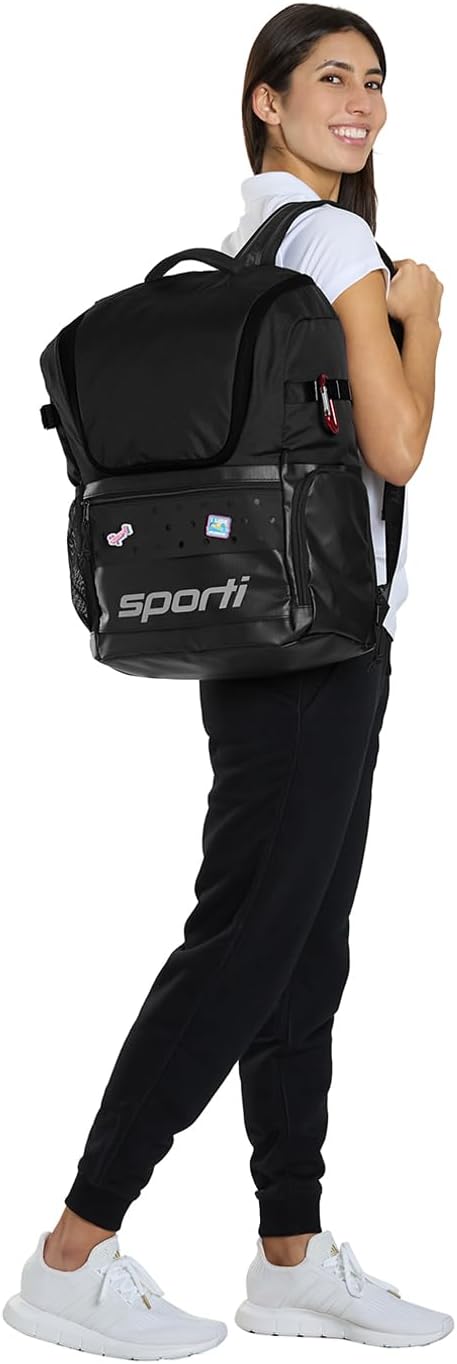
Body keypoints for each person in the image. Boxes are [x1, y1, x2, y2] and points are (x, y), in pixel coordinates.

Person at [3, 4, 451, 1357]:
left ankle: (289, 1257)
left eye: (374, 80)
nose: (360, 102)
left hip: (256, 626)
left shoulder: (257, 240)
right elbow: (396, 448)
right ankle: (72, 1253)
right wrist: (424, 316)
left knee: (300, 947)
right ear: (265, 100)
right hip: (323, 639)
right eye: (330, 78)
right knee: (252, 943)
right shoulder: (336, 246)